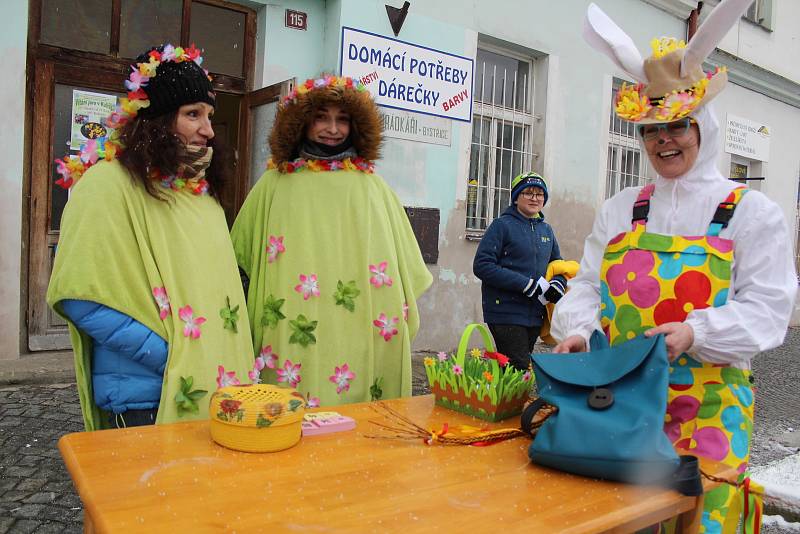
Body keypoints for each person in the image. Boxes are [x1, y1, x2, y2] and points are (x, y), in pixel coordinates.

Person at [553, 3, 796, 532]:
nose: (665, 139)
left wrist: (695, 331)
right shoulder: (623, 208)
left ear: (703, 126)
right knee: (617, 521)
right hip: (617, 399)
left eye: (680, 125)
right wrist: (579, 330)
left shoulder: (751, 213)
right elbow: (588, 284)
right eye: (653, 129)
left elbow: (769, 310)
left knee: (702, 521)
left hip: (709, 405)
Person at [47, 44, 254, 430]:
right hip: (144, 396)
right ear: (155, 119)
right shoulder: (107, 185)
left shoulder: (200, 194)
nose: (208, 130)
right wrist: (174, 352)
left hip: (212, 386)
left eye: (208, 115)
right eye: (193, 114)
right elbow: (80, 297)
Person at [230, 75, 432, 406]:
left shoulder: (372, 186)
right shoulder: (274, 184)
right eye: (321, 117)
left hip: (358, 329)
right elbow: (240, 260)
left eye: (342, 119)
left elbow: (403, 264)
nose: (332, 128)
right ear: (302, 122)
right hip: (291, 329)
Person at [473, 172, 564, 370]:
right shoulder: (502, 226)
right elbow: (482, 265)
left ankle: (501, 399)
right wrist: (526, 284)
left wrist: (558, 283)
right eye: (528, 193)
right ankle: (512, 401)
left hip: (534, 312)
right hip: (504, 310)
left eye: (539, 194)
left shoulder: (546, 230)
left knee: (512, 369)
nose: (534, 198)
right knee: (519, 366)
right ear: (516, 197)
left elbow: (557, 263)